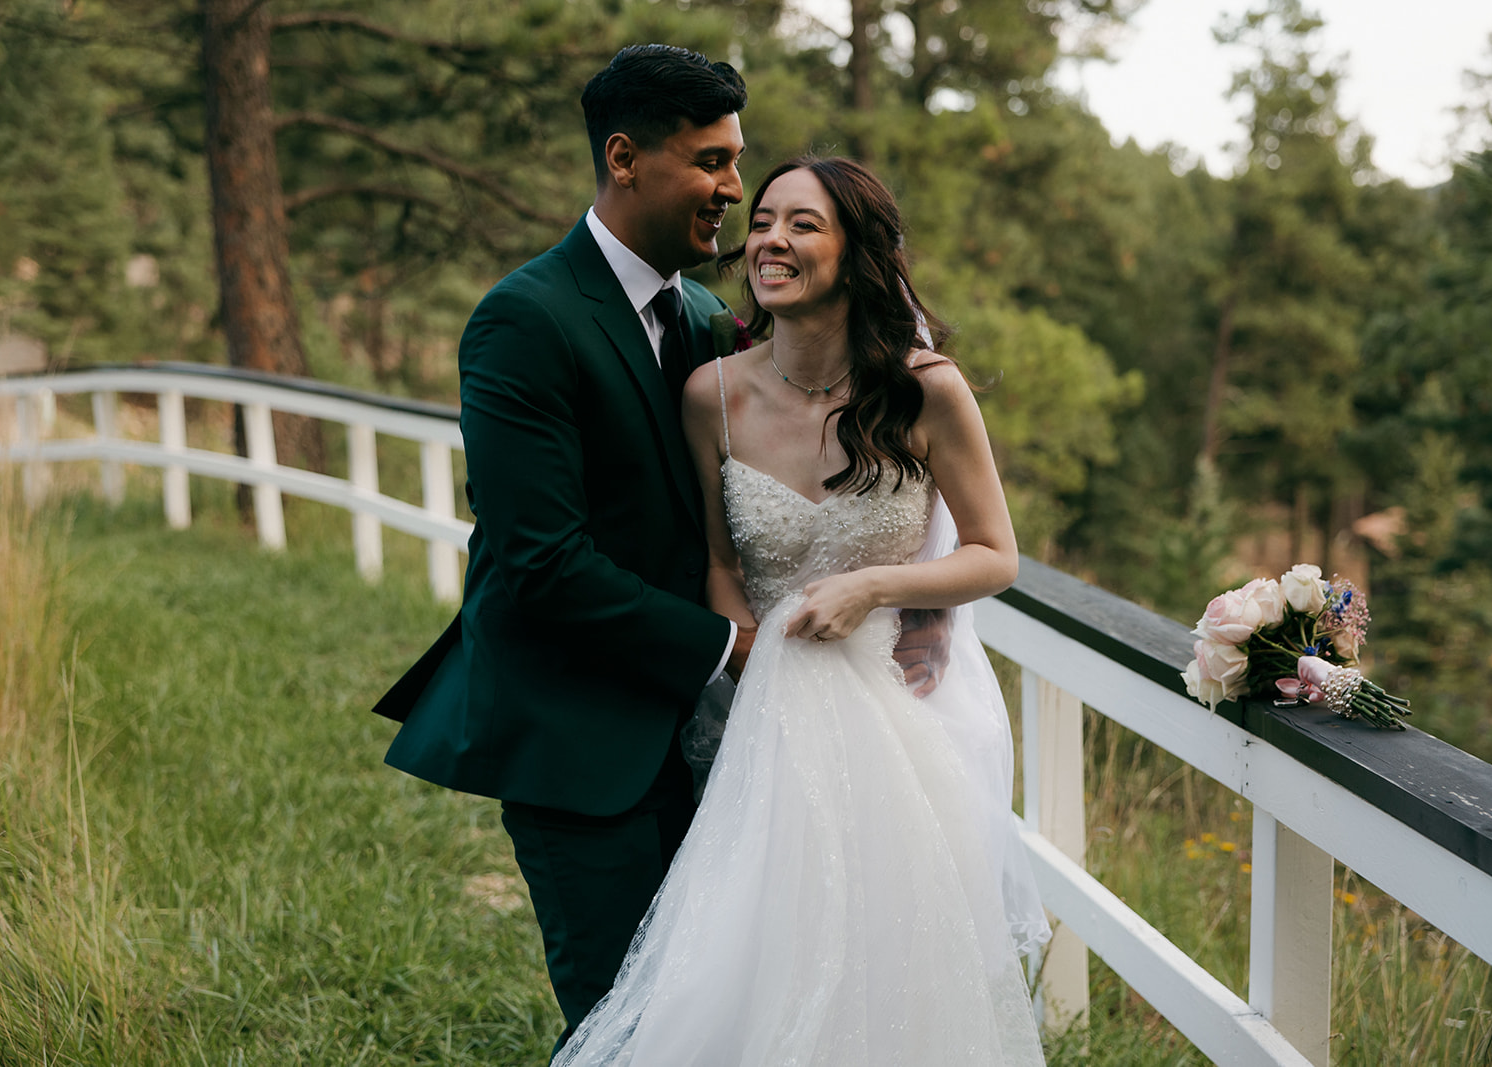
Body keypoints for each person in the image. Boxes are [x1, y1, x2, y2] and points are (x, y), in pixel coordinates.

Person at [552, 157, 1050, 1065]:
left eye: (804, 224)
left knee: (888, 966)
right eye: (765, 220)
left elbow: (994, 554)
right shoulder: (714, 395)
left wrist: (875, 587)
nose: (772, 239)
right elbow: (718, 562)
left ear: (858, 253)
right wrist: (751, 673)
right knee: (752, 954)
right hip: (763, 718)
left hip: (893, 722)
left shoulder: (927, 388)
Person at [370, 45, 753, 1054]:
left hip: (704, 743)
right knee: (623, 1026)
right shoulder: (524, 319)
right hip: (577, 745)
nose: (732, 189)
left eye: (736, 161)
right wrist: (728, 645)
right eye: (710, 160)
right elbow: (541, 562)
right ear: (624, 158)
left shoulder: (710, 320)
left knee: (714, 1014)